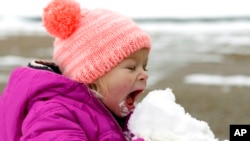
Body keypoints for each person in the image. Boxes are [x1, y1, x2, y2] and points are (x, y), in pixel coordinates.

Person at [0, 0, 151, 140]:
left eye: (144, 67)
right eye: (131, 67)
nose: (144, 74)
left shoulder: (122, 115)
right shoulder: (54, 115)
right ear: (92, 75)